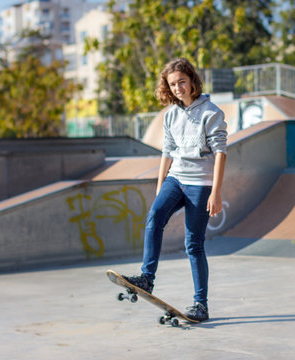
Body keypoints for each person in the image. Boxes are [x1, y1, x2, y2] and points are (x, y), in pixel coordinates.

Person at [121, 58, 227, 322]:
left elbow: (221, 153)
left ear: (192, 81)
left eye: (182, 82)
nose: (178, 88)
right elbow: (167, 152)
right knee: (154, 217)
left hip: (200, 184)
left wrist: (216, 192)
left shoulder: (211, 112)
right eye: (173, 84)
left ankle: (200, 304)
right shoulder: (170, 114)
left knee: (193, 243)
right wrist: (160, 187)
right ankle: (147, 278)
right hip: (176, 178)